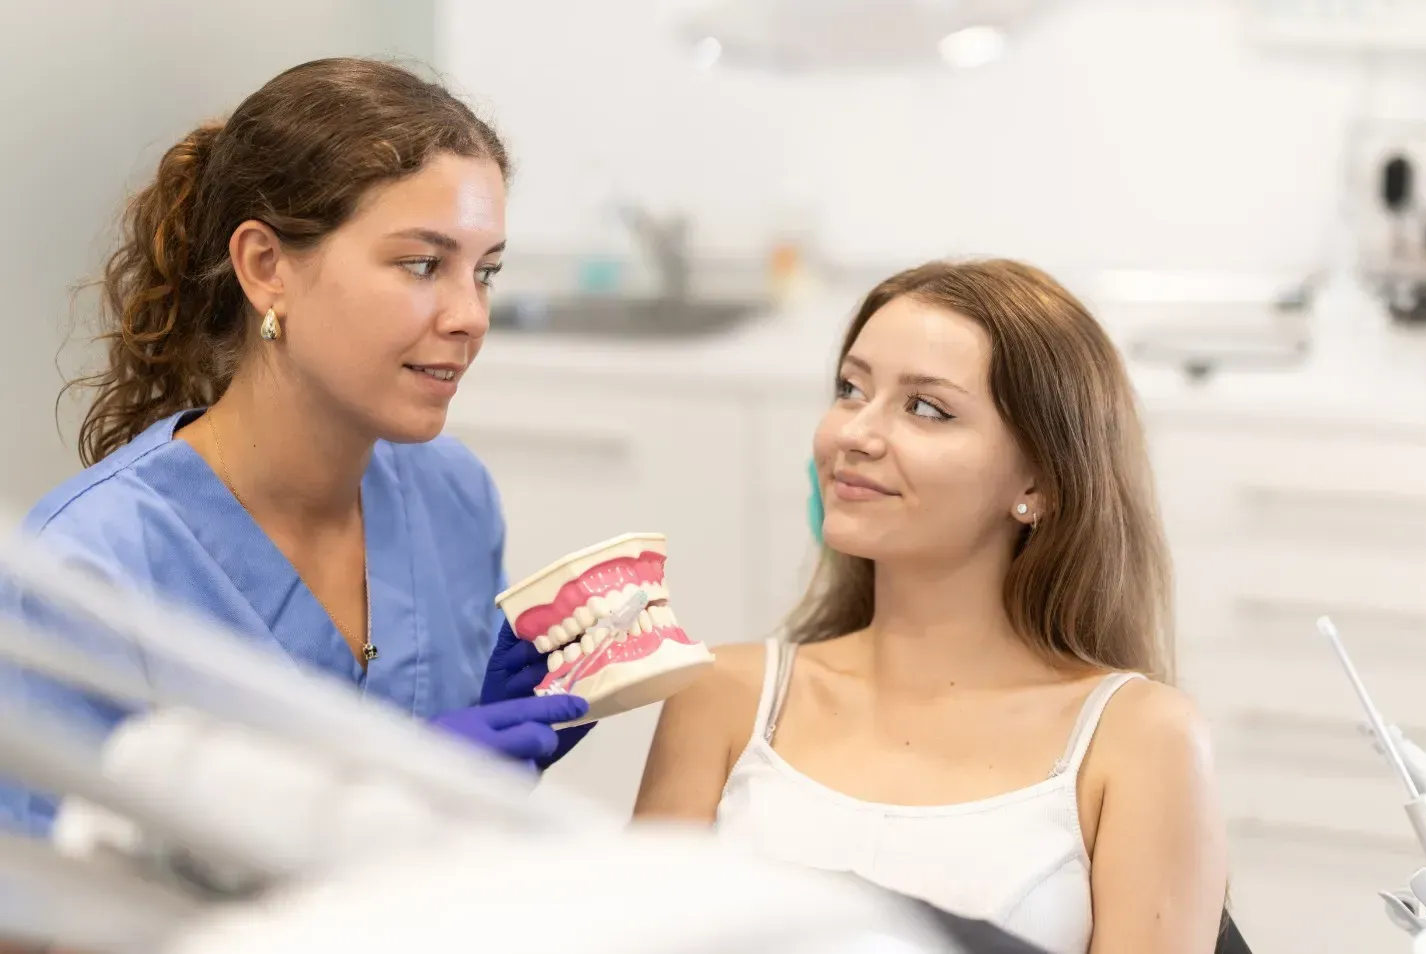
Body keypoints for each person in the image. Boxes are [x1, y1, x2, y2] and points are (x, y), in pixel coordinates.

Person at [0, 56, 591, 842]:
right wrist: (385, 800)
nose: (470, 316)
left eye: (484, 273)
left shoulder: (454, 496)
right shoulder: (91, 570)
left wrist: (473, 793)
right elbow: (43, 923)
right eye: (422, 264)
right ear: (265, 267)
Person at [633, 259, 1230, 954]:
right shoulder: (721, 698)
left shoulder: (1141, 740)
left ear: (1039, 483)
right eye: (851, 390)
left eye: (926, 408)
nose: (855, 434)